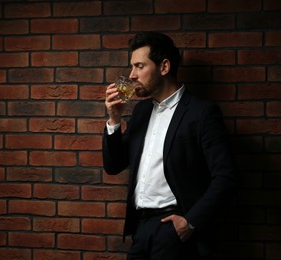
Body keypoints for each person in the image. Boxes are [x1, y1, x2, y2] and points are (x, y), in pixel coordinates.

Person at [102, 31, 237, 259]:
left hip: (174, 230)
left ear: (164, 67)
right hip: (140, 230)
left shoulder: (201, 113)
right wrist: (114, 119)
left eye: (139, 66)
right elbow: (113, 165)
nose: (131, 75)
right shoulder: (141, 111)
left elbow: (226, 177)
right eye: (132, 67)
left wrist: (189, 222)